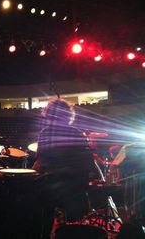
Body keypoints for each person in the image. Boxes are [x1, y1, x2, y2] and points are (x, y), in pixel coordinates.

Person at [32, 98, 93, 237]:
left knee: (42, 208)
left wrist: (30, 176)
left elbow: (40, 162)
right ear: (68, 115)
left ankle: (44, 233)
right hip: (75, 188)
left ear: (49, 114)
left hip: (53, 186)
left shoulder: (46, 133)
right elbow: (87, 163)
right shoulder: (78, 134)